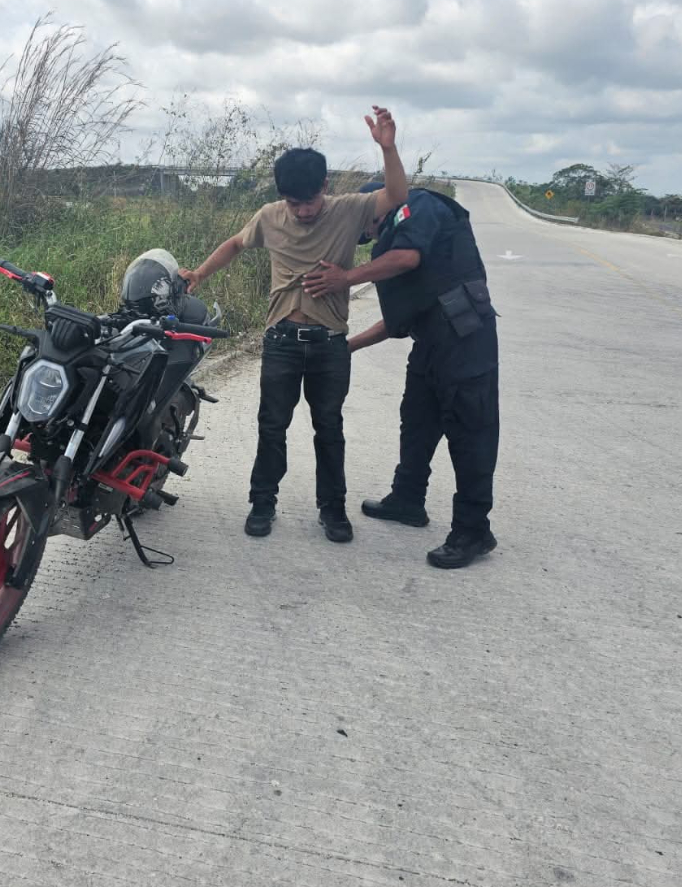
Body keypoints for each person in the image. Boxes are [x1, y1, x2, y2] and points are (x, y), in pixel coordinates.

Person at [181, 108, 408, 542]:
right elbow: (235, 243)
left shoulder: (348, 210)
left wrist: (388, 148)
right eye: (294, 203)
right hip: (282, 340)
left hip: (329, 344)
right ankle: (262, 504)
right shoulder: (270, 216)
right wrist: (200, 273)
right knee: (272, 427)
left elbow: (396, 195)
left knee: (329, 429)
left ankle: (333, 510)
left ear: (325, 187)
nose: (303, 211)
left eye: (309, 201)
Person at [302, 181, 500, 568]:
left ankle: (474, 529)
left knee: (469, 433)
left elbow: (408, 257)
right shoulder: (389, 245)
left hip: (466, 340)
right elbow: (397, 323)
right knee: (417, 420)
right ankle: (407, 499)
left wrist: (346, 277)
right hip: (431, 342)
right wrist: (346, 346)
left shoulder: (417, 204)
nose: (369, 235)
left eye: (366, 224)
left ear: (378, 204)